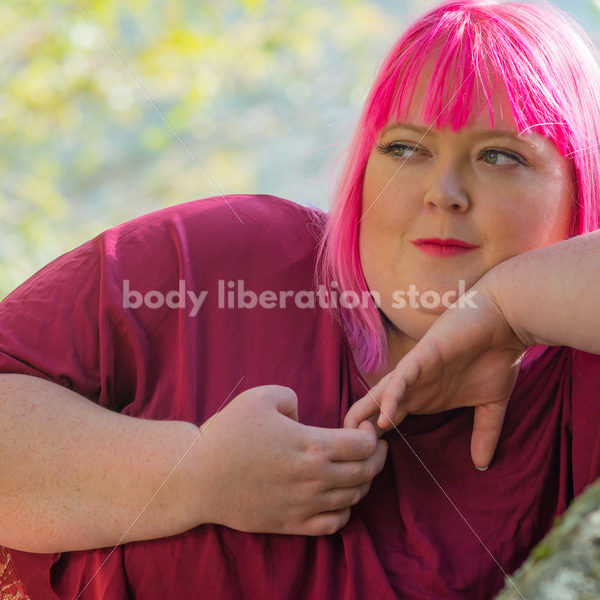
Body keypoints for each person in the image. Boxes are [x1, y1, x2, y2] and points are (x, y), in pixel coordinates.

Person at [2, 0, 600, 598]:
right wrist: (194, 472)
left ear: (579, 189)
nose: (443, 192)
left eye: (500, 156)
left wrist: (506, 306)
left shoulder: (580, 383)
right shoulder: (225, 259)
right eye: (406, 149)